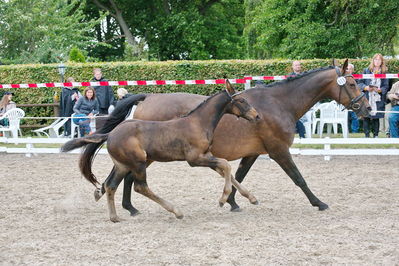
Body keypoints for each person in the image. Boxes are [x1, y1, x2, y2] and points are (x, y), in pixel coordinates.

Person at [358, 53, 389, 138]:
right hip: (367, 97)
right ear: (373, 60)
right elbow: (360, 83)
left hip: (378, 98)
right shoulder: (366, 70)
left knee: (376, 117)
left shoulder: (384, 72)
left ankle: (376, 135)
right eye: (376, 59)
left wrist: (380, 90)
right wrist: (366, 87)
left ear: (382, 61)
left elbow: (386, 86)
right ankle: (367, 135)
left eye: (379, 59)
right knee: (366, 116)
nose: (377, 61)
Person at [288, 60, 306, 138]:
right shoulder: (289, 76)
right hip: (292, 101)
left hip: (303, 100)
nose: (298, 66)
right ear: (292, 67)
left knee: (301, 118)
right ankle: (302, 135)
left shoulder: (305, 75)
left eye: (299, 65)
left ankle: (301, 135)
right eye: (296, 65)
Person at [346, 64, 360, 133]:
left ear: (353, 70)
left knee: (355, 117)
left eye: (350, 69)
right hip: (345, 101)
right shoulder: (343, 78)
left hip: (355, 101)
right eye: (347, 69)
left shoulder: (356, 78)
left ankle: (355, 132)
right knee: (346, 117)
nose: (348, 70)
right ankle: (346, 131)